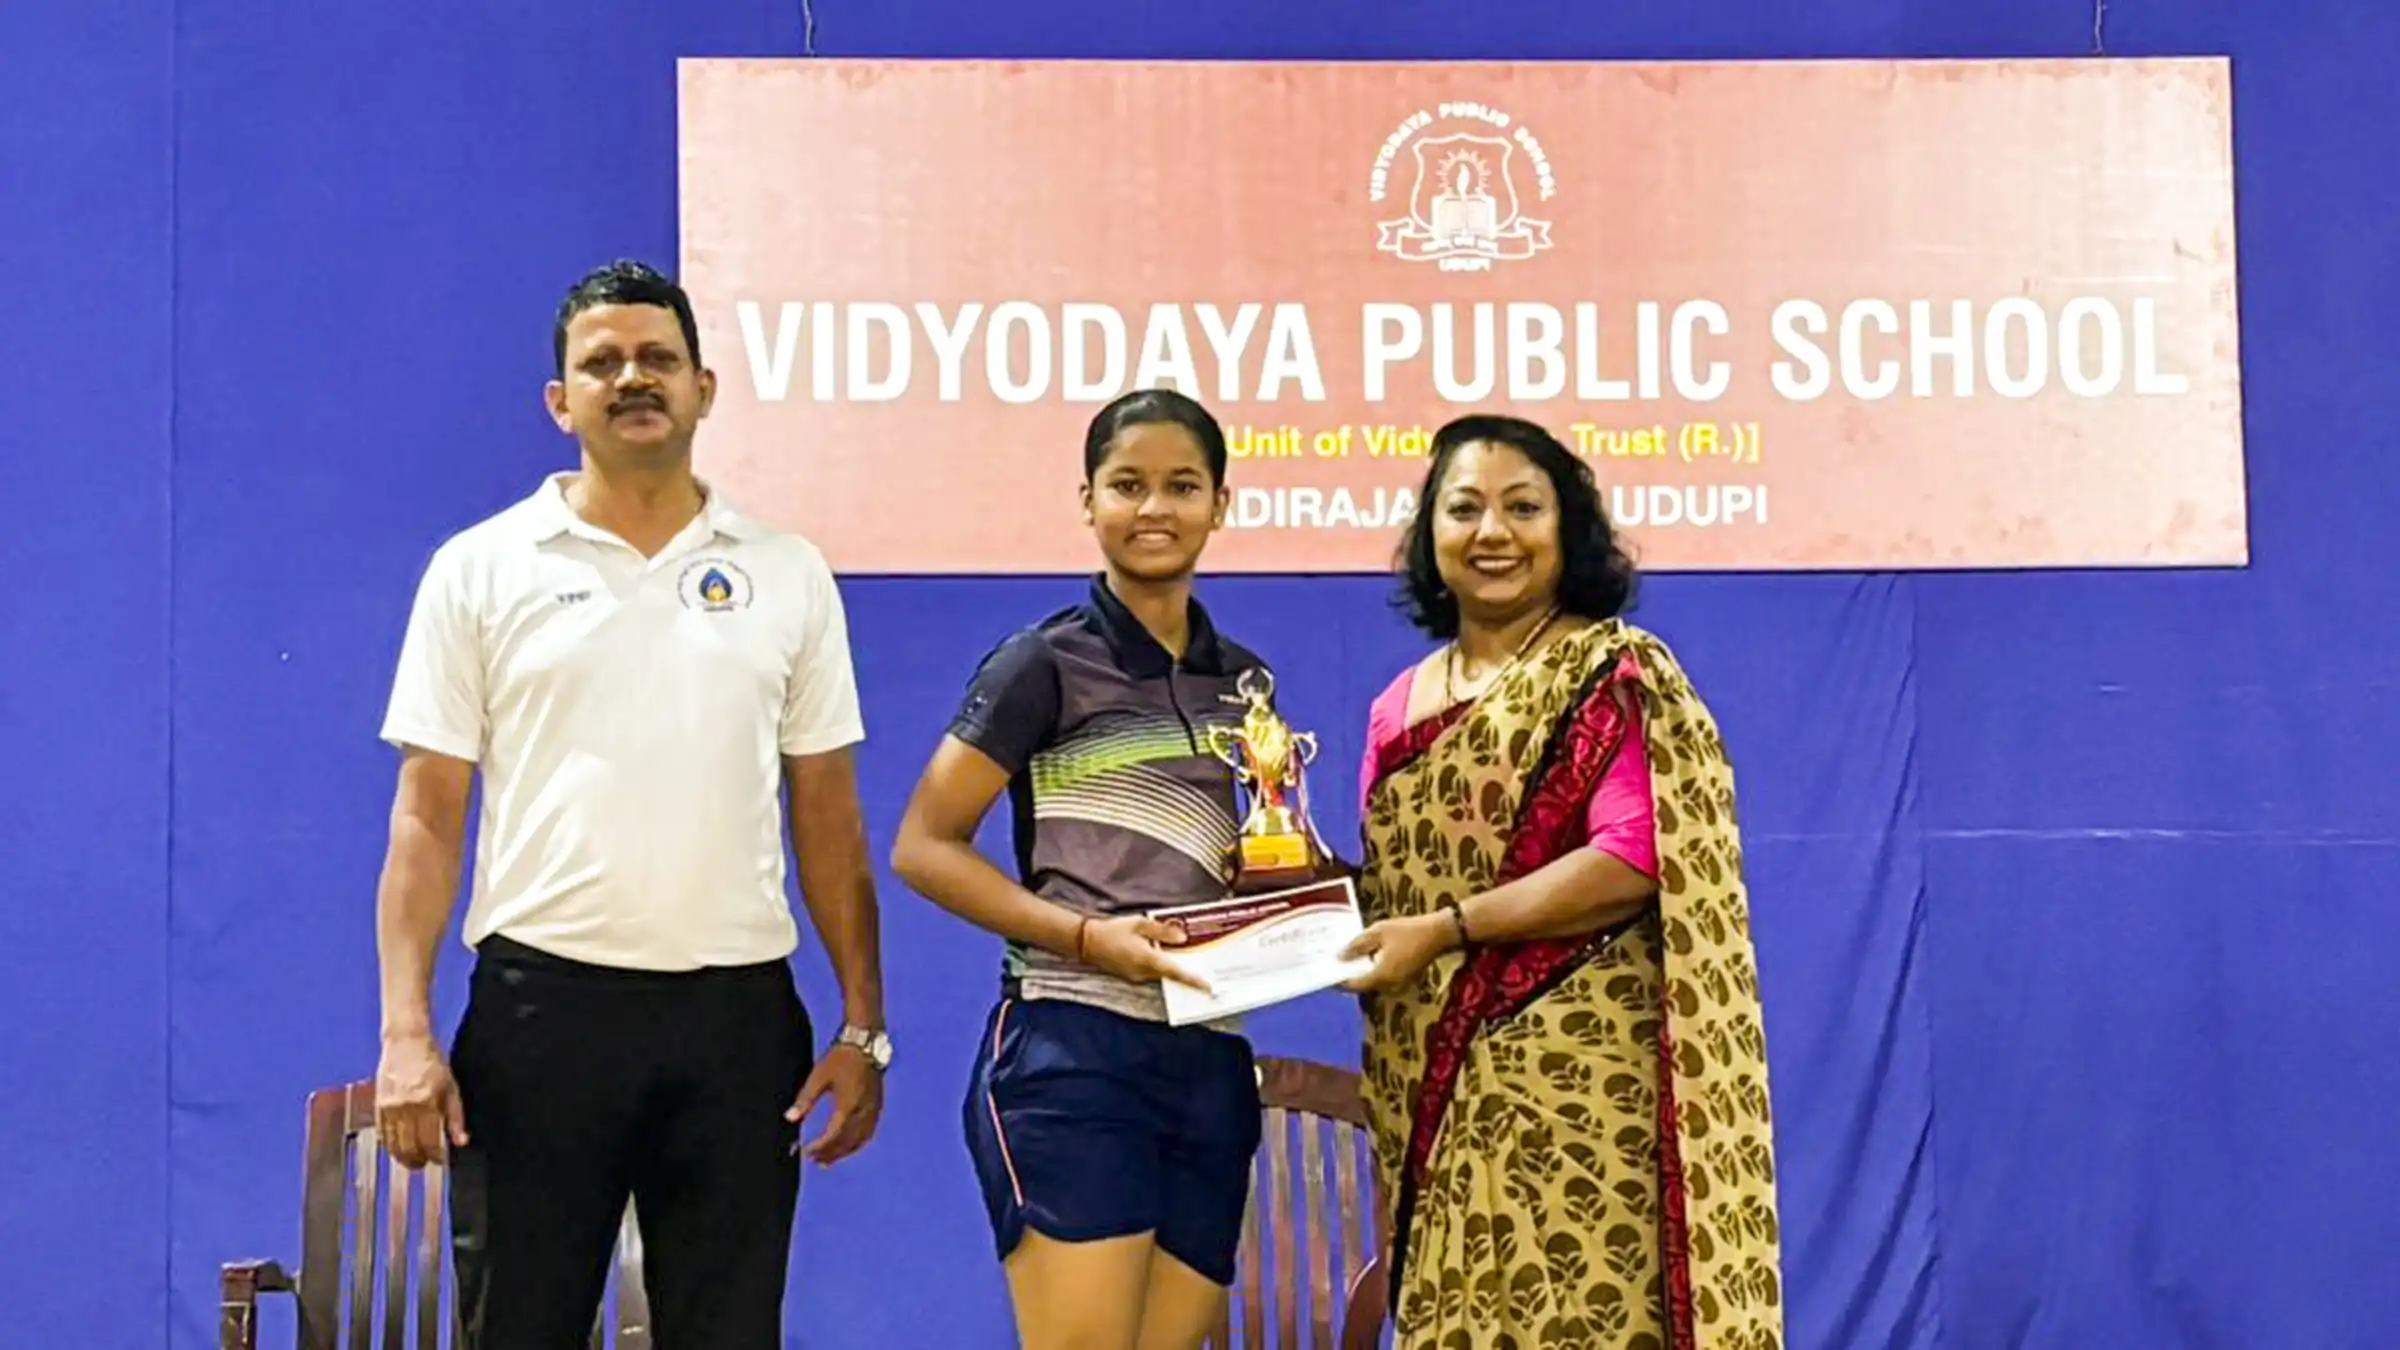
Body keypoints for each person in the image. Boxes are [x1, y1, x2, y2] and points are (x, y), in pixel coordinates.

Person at [371, 259, 891, 1350]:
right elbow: (426, 819)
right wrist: (407, 1030)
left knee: (730, 1333)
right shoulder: (477, 570)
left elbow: (830, 817)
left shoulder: (788, 573)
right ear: (561, 403)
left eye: (657, 359)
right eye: (600, 364)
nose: (632, 379)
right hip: (538, 1019)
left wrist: (863, 1023)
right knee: (520, 1329)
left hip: (737, 1025)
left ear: (705, 387)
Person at [1340, 414, 1786, 1350]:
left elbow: (1635, 856)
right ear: (1430, 535)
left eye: (1522, 507)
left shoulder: (1612, 670)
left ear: (1566, 529)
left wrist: (1450, 928)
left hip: (1586, 1094)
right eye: (1464, 509)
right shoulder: (1397, 706)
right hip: (1438, 1089)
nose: (1492, 532)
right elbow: (1393, 891)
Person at [889, 388, 1286, 1350]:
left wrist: (1296, 892)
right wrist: (1084, 937)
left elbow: (1232, 862)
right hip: (1073, 1051)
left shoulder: (1244, 681)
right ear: (1088, 501)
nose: (1155, 509)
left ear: (1221, 505)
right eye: (1129, 485)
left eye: (1182, 486)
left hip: (1206, 1054)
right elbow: (923, 847)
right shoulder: (1041, 664)